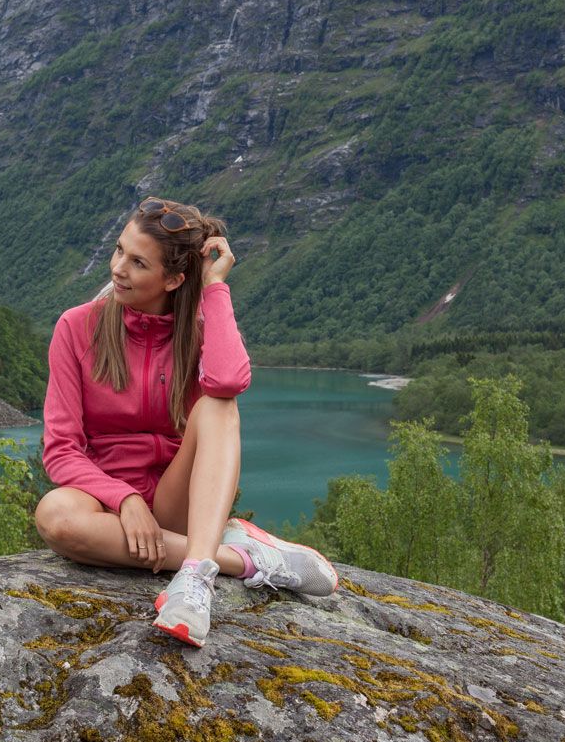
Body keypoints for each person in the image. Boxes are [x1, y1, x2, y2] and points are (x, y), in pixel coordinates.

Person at [34, 196, 339, 648]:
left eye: (138, 263)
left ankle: (194, 580)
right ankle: (241, 559)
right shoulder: (77, 327)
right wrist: (124, 500)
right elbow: (61, 449)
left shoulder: (195, 331)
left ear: (174, 279)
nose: (118, 268)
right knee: (56, 517)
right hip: (105, 503)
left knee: (218, 404)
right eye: (119, 251)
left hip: (177, 501)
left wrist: (214, 289)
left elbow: (229, 381)